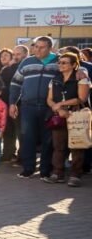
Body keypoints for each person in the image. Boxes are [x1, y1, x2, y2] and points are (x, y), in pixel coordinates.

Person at [10, 36, 59, 179]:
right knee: (27, 138)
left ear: (50, 48)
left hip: (49, 107)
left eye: (41, 47)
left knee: (48, 140)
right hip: (28, 107)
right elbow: (15, 83)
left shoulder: (58, 61)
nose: (37, 50)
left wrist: (82, 71)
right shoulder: (27, 61)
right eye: (35, 46)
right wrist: (12, 103)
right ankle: (28, 168)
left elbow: (75, 68)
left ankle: (45, 170)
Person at [45, 52, 89, 186]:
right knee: (58, 146)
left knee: (77, 146)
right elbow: (49, 99)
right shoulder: (55, 79)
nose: (60, 65)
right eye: (59, 62)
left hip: (76, 115)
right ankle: (57, 173)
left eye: (64, 63)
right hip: (59, 116)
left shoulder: (81, 78)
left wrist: (61, 105)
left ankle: (75, 175)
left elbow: (82, 98)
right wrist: (58, 109)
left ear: (74, 65)